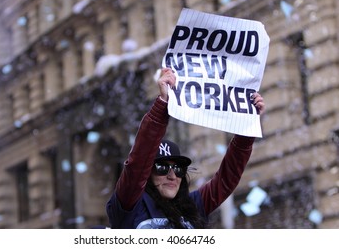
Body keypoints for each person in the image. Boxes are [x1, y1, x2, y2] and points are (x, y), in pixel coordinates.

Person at [106, 68, 265, 229]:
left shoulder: (193, 206)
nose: (172, 175)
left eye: (179, 168)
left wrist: (247, 127)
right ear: (146, 174)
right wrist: (162, 103)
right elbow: (137, 165)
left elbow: (226, 179)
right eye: (162, 167)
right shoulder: (129, 206)